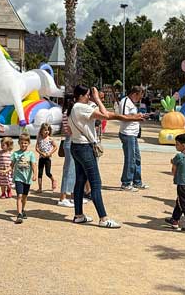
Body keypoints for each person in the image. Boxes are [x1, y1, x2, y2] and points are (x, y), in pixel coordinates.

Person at [67, 84, 145, 228]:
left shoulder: (74, 108)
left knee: (80, 181)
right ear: (81, 96)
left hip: (76, 146)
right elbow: (106, 115)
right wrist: (97, 99)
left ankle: (79, 215)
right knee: (95, 183)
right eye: (88, 95)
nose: (89, 97)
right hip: (85, 148)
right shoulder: (81, 107)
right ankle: (103, 218)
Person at [116, 86, 149, 192]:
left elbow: (131, 116)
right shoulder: (125, 101)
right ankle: (126, 182)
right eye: (139, 97)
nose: (140, 99)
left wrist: (140, 116)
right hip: (127, 133)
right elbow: (123, 117)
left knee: (137, 158)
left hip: (133, 134)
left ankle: (137, 181)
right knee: (130, 159)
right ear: (134, 94)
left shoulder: (132, 103)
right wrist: (137, 117)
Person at [11, 133, 38, 224]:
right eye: (22, 143)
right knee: (19, 196)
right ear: (19, 143)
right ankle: (19, 214)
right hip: (18, 178)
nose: (23, 145)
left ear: (29, 143)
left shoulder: (31, 154)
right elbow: (12, 165)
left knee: (24, 196)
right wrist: (7, 171)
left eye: (25, 143)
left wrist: (35, 175)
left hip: (27, 179)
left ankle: (22, 210)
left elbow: (34, 165)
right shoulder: (15, 154)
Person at [58, 95, 77, 207]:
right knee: (68, 170)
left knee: (73, 170)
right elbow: (70, 130)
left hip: (70, 141)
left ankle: (72, 197)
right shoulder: (68, 114)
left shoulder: (66, 113)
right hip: (70, 140)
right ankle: (63, 197)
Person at [35, 122, 58, 193]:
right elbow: (36, 148)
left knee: (47, 172)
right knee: (40, 173)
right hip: (41, 158)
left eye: (48, 130)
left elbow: (55, 147)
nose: (46, 131)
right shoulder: (39, 138)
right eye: (45, 130)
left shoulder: (50, 139)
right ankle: (40, 188)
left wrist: (50, 153)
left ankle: (53, 180)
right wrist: (41, 153)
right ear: (41, 130)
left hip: (48, 158)